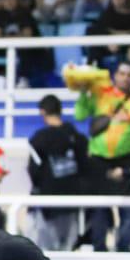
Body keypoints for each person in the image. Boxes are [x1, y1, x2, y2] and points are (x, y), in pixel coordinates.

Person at [74, 61, 130, 251]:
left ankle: (124, 249)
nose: (125, 78)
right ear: (114, 76)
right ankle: (99, 249)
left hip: (126, 160)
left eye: (129, 75)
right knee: (99, 208)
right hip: (99, 161)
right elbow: (79, 115)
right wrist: (83, 92)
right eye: (122, 74)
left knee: (128, 207)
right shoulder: (99, 94)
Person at [26, 96, 89, 251]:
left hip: (48, 202)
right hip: (73, 200)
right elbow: (85, 167)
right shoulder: (77, 137)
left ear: (42, 112)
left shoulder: (39, 139)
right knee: (68, 249)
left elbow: (34, 170)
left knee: (47, 251)